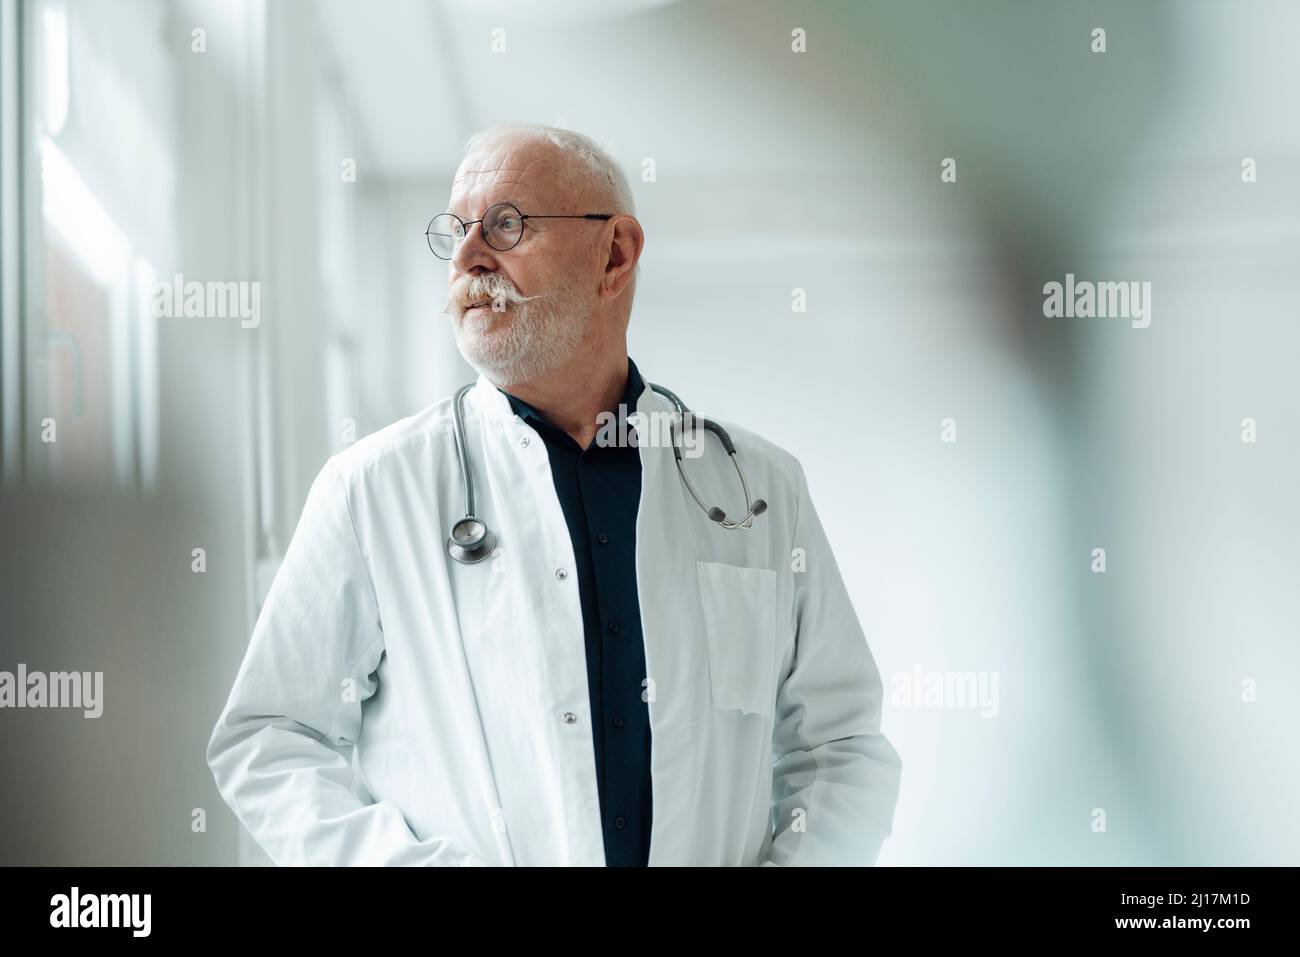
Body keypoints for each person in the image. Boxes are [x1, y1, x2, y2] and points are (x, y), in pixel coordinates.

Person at [206, 122, 901, 866]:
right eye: (456, 231)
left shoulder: (759, 488)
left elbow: (842, 743)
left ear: (615, 253)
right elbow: (271, 740)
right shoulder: (372, 490)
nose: (469, 257)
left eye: (507, 224)